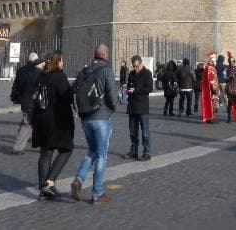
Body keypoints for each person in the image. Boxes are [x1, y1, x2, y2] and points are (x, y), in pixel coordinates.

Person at [70, 44, 117, 205]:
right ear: (106, 55)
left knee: (92, 151)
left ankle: (79, 179)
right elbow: (112, 95)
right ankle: (97, 193)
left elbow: (73, 90)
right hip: (101, 116)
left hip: (85, 118)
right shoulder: (106, 70)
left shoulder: (84, 71)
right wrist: (113, 108)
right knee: (102, 155)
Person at [32, 51, 74, 199]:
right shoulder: (60, 77)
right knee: (67, 149)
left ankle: (43, 190)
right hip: (56, 120)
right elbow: (66, 98)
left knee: (46, 152)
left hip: (40, 119)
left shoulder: (41, 77)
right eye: (62, 60)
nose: (63, 63)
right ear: (57, 62)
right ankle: (49, 183)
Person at [10, 53, 45, 154]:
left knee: (27, 122)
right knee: (30, 124)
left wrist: (13, 97)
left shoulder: (21, 70)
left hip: (24, 100)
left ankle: (19, 145)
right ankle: (19, 147)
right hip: (33, 102)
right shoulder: (38, 73)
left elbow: (16, 85)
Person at [124, 55, 154, 160]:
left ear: (141, 63)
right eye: (134, 66)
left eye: (137, 66)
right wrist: (127, 89)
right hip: (132, 106)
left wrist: (136, 90)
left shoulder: (147, 74)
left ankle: (147, 152)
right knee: (133, 131)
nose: (135, 68)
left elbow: (150, 88)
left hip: (142, 107)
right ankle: (134, 151)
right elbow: (129, 85)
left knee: (145, 132)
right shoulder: (131, 74)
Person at [200, 53, 219, 123]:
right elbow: (211, 81)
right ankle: (210, 117)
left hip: (208, 89)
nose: (215, 63)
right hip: (211, 90)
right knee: (212, 103)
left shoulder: (208, 68)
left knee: (210, 103)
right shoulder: (210, 68)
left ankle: (209, 117)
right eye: (214, 61)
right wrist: (214, 89)